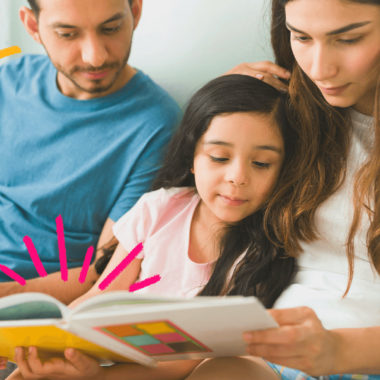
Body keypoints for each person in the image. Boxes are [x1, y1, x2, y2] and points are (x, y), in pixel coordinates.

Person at [5, 74, 301, 380]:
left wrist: (96, 376)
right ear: (191, 157)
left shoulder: (264, 249)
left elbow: (187, 360)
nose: (237, 177)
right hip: (105, 359)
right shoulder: (158, 209)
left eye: (262, 163)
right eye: (219, 157)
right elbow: (99, 296)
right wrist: (44, 340)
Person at [184, 0, 380, 378]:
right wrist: (224, 108)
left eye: (349, 39)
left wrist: (337, 350)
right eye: (301, 37)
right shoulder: (295, 115)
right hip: (277, 356)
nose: (320, 69)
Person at [0, 0, 181, 304]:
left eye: (111, 29)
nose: (94, 57)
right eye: (68, 34)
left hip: (35, 302)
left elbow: (106, 269)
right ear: (33, 25)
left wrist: (8, 295)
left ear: (134, 12)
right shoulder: (8, 80)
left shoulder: (156, 123)